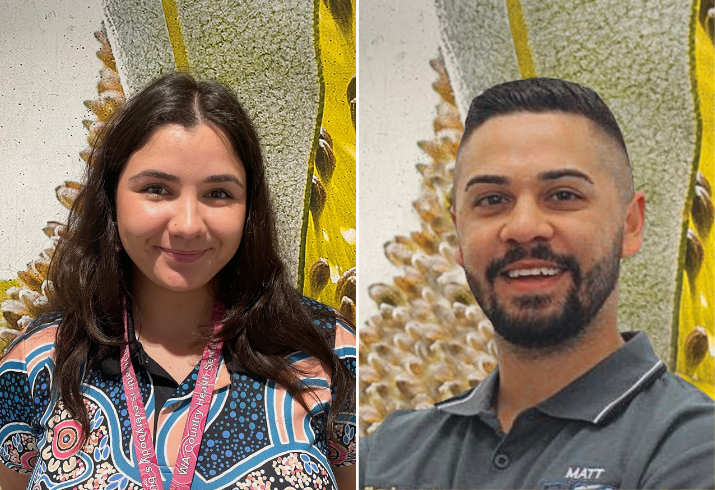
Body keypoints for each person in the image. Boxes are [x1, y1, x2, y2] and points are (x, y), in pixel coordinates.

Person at [0, 72, 356, 490]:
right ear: (112, 199)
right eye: (156, 189)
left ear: (249, 208)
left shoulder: (330, 352)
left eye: (219, 193)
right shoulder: (39, 361)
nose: (188, 225)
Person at [359, 78, 714, 489]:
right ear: (458, 232)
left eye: (562, 195)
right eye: (492, 200)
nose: (524, 227)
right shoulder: (385, 456)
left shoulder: (692, 446)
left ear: (630, 225)